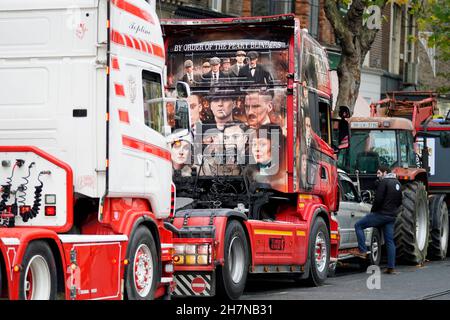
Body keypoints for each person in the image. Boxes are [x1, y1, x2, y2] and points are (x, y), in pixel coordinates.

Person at [349, 166, 402, 274]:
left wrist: (373, 211)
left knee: (358, 225)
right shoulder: (398, 183)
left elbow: (378, 199)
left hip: (381, 214)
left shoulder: (384, 182)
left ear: (385, 173)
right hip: (391, 216)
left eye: (379, 173)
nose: (377, 175)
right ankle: (391, 267)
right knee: (389, 241)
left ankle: (363, 251)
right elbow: (400, 201)